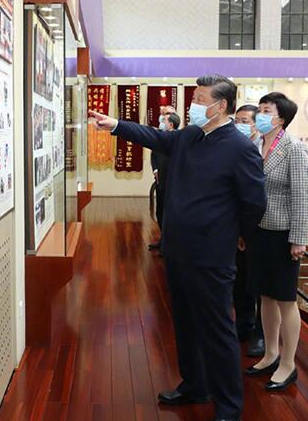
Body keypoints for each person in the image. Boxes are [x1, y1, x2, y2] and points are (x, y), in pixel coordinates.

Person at [89, 75, 267, 421]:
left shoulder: (239, 147)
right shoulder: (190, 136)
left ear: (221, 106)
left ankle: (229, 407)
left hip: (211, 254)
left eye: (200, 99)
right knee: (184, 324)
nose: (193, 105)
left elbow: (254, 202)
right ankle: (195, 385)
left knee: (217, 330)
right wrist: (116, 125)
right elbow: (155, 136)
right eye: (194, 98)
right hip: (177, 248)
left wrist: (237, 234)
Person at [243, 92, 308, 393]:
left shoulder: (294, 148)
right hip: (258, 230)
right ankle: (270, 353)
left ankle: (288, 362)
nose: (260, 114)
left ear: (281, 118)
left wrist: (299, 239)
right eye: (259, 109)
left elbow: (302, 196)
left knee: (285, 299)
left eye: (266, 110)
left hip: (283, 234)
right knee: (265, 296)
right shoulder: (255, 145)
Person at [233, 104, 265, 357]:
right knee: (240, 280)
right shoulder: (234, 146)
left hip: (262, 224)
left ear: (256, 124)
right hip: (237, 225)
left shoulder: (265, 148)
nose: (240, 125)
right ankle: (243, 325)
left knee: (260, 283)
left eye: (245, 121)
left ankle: (260, 333)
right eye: (237, 120)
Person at [148, 110, 181, 254]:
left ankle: (169, 245)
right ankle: (162, 240)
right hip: (160, 181)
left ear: (171, 124)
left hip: (172, 183)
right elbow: (153, 155)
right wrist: (155, 170)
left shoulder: (179, 139)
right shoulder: (160, 137)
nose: (161, 123)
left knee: (170, 214)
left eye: (164, 120)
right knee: (160, 211)